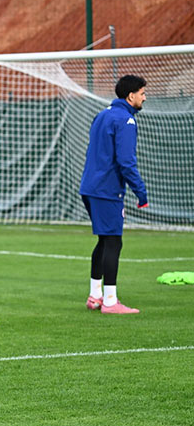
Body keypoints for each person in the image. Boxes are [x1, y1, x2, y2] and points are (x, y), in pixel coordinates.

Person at [79, 74, 148, 314]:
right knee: (113, 242)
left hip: (89, 187)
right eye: (142, 93)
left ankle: (95, 296)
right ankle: (110, 301)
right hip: (106, 190)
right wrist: (141, 192)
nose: (144, 97)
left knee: (104, 240)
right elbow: (126, 162)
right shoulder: (125, 120)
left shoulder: (102, 115)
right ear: (131, 96)